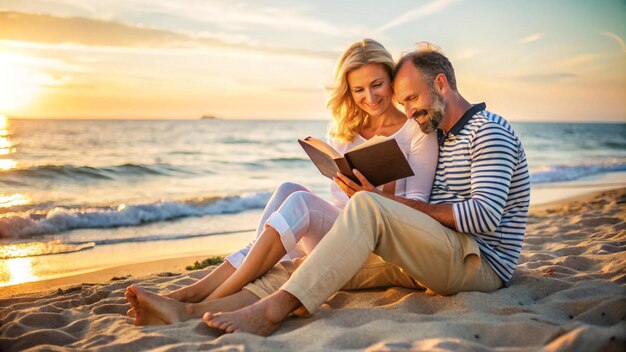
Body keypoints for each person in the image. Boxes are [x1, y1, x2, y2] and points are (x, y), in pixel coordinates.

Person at [201, 43, 531, 336]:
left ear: (441, 84)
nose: (410, 111)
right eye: (404, 102)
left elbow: (484, 217)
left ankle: (275, 308)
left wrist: (378, 199)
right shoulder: (446, 132)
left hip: (480, 263)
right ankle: (204, 297)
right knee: (303, 216)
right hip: (445, 249)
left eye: (413, 98)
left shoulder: (488, 132)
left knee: (364, 206)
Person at [125, 39, 438, 325]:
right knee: (289, 190)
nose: (369, 97)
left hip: (377, 242)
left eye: (377, 85)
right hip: (340, 231)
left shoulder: (416, 131)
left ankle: (205, 298)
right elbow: (338, 201)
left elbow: (417, 209)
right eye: (358, 90)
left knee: (300, 206)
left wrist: (374, 192)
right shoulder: (346, 131)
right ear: (348, 92)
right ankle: (186, 295)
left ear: (391, 81)